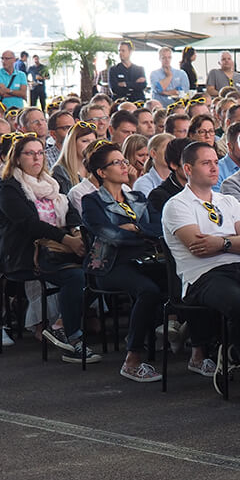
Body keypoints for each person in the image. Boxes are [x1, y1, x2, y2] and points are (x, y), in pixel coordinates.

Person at [161, 141, 240, 392]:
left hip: (239, 267)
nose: (214, 168)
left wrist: (220, 242)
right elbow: (198, 247)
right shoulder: (177, 205)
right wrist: (234, 242)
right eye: (206, 163)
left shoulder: (228, 201)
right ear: (188, 168)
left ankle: (235, 353)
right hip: (202, 276)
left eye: (216, 162)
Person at [0, 133, 96, 362]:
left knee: (100, 268)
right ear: (17, 158)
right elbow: (30, 224)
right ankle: (73, 338)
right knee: (75, 277)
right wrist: (67, 240)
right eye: (30, 153)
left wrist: (75, 232)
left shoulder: (49, 183)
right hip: (27, 253)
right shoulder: (8, 187)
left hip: (57, 249)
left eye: (40, 153)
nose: (37, 158)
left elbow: (70, 211)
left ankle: (59, 325)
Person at [80, 141, 165, 383]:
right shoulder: (91, 201)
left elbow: (160, 228)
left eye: (124, 161)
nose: (124, 166)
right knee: (148, 291)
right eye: (117, 163)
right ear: (102, 172)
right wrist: (142, 234)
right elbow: (110, 235)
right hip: (109, 265)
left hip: (145, 260)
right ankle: (132, 359)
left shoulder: (137, 197)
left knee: (181, 281)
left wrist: (136, 228)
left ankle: (199, 352)